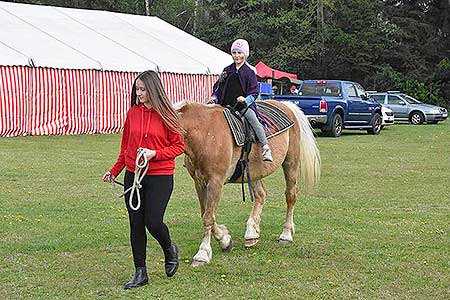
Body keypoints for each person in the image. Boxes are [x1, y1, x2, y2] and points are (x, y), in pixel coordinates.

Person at [102, 70, 185, 289]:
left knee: (153, 222)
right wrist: (114, 171)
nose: (139, 93)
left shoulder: (167, 114)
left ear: (153, 89)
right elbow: (125, 147)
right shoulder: (132, 114)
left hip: (160, 176)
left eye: (143, 89)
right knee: (135, 224)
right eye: (137, 89)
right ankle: (141, 272)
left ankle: (169, 249)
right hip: (134, 175)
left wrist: (154, 154)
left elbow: (179, 146)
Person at [208, 38, 273, 162]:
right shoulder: (227, 70)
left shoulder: (249, 72)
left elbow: (254, 91)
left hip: (242, 106)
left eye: (240, 53)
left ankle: (265, 147)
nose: (237, 56)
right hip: (224, 105)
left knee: (254, 120)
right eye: (234, 53)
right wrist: (214, 97)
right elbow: (218, 86)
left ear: (245, 54)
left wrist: (245, 99)